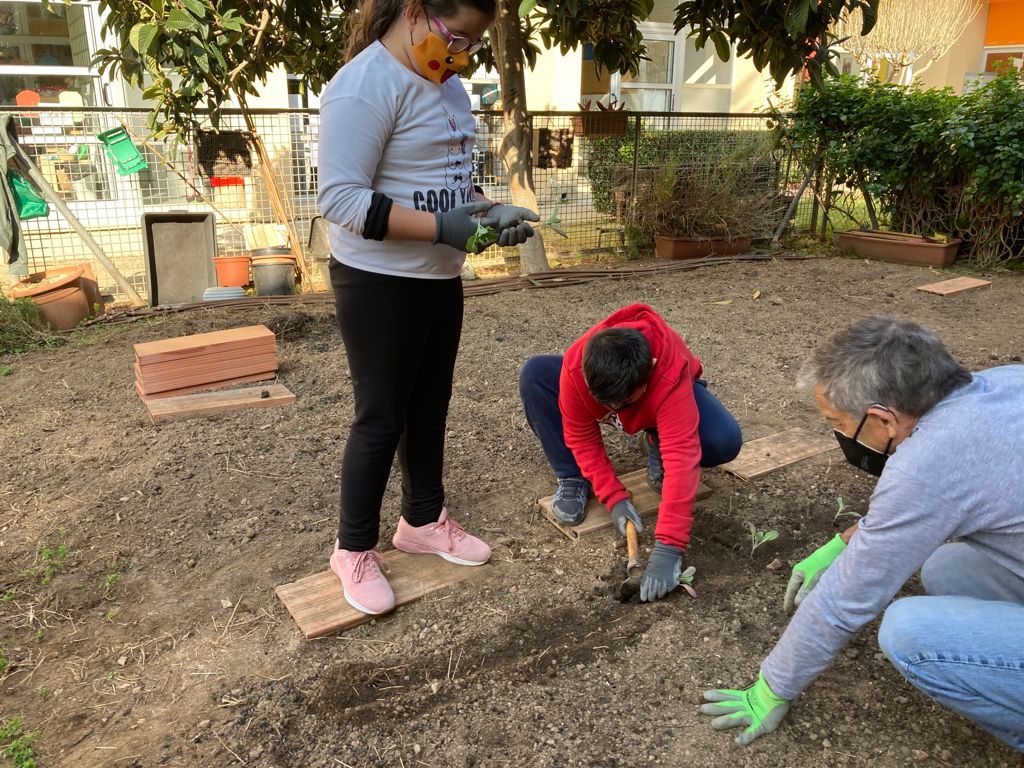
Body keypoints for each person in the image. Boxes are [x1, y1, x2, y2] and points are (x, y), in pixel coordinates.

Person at [699, 317, 1024, 752]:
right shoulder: (1005, 383)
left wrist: (772, 688)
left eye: (835, 421)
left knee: (908, 632)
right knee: (948, 566)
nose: (836, 433)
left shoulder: (929, 463)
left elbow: (844, 602)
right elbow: (915, 511)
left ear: (882, 419)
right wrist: (842, 543)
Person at [317, 0, 540, 616]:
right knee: (381, 417)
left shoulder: (447, 85)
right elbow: (340, 200)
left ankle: (422, 520)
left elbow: (448, 179)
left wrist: (484, 211)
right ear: (414, 11)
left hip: (438, 275)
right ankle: (352, 549)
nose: (462, 55)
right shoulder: (363, 86)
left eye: (472, 44)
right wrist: (441, 228)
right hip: (377, 281)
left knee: (429, 405)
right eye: (457, 37)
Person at [518, 304, 743, 602]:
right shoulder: (577, 369)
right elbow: (582, 437)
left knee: (723, 440)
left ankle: (655, 438)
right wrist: (613, 496)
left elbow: (682, 456)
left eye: (622, 403)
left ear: (649, 371)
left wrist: (669, 547)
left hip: (665, 397)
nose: (613, 410)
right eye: (605, 403)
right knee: (535, 373)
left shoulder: (667, 370)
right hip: (617, 387)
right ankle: (572, 476)